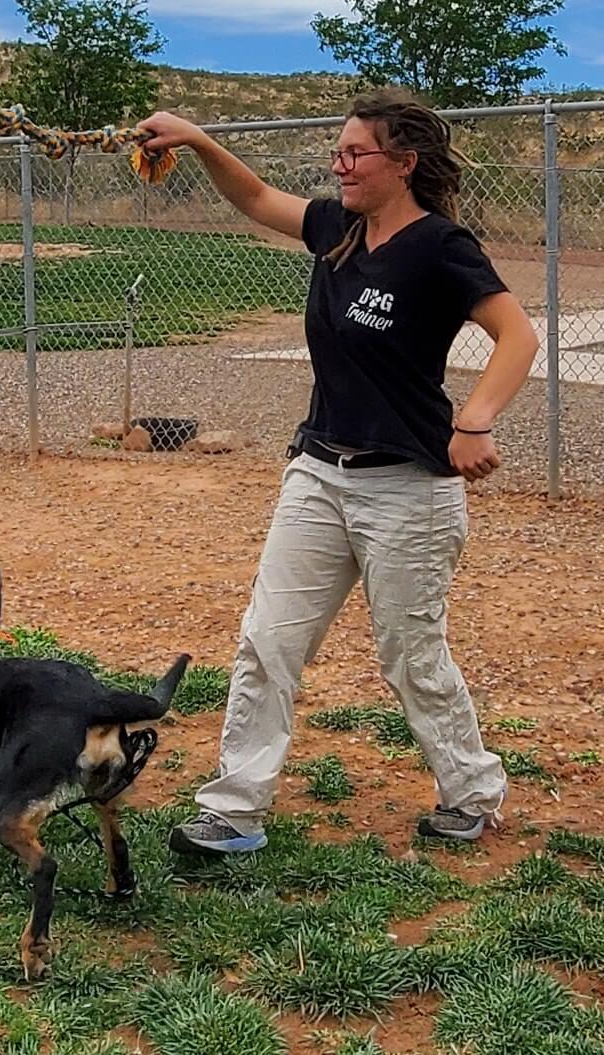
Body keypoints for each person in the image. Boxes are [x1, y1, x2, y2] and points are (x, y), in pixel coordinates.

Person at [136, 89, 539, 853]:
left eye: (355, 153)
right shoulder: (335, 230)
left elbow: (515, 335)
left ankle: (472, 791)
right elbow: (254, 196)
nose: (339, 164)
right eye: (338, 150)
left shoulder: (440, 248)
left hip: (408, 486)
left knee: (410, 654)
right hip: (318, 472)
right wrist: (194, 139)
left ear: (404, 163)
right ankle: (233, 808)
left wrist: (473, 418)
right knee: (267, 640)